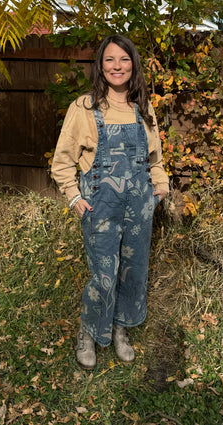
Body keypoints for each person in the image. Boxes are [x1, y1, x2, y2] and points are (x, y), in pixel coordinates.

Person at [52, 34, 169, 369]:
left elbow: (155, 160)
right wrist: (74, 196)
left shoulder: (143, 108)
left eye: (124, 59)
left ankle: (121, 330)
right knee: (104, 272)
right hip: (100, 206)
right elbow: (62, 161)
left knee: (132, 271)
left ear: (133, 65)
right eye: (110, 60)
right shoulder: (84, 107)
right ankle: (88, 333)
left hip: (140, 206)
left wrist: (159, 189)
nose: (117, 66)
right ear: (100, 66)